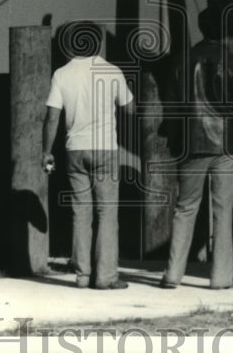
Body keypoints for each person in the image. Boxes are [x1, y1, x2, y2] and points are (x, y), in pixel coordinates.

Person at [160, 6, 233, 290]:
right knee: (223, 211)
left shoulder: (181, 60)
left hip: (192, 144)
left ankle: (172, 275)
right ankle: (221, 278)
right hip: (226, 145)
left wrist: (173, 139)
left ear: (201, 28)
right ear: (225, 32)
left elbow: (171, 108)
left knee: (185, 208)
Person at [42, 22, 134, 289]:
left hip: (74, 149)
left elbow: (51, 118)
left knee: (80, 213)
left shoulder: (61, 74)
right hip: (105, 148)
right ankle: (105, 277)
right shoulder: (111, 70)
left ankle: (82, 276)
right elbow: (129, 110)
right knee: (107, 213)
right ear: (99, 43)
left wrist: (46, 151)